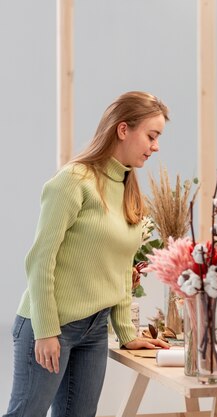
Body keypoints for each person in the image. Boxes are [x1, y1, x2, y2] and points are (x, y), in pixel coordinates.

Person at [3, 91, 171, 417]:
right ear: (123, 129)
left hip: (95, 330)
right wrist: (47, 330)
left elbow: (122, 267)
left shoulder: (128, 190)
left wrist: (126, 332)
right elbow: (40, 260)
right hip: (52, 323)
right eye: (151, 136)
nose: (156, 146)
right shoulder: (73, 180)